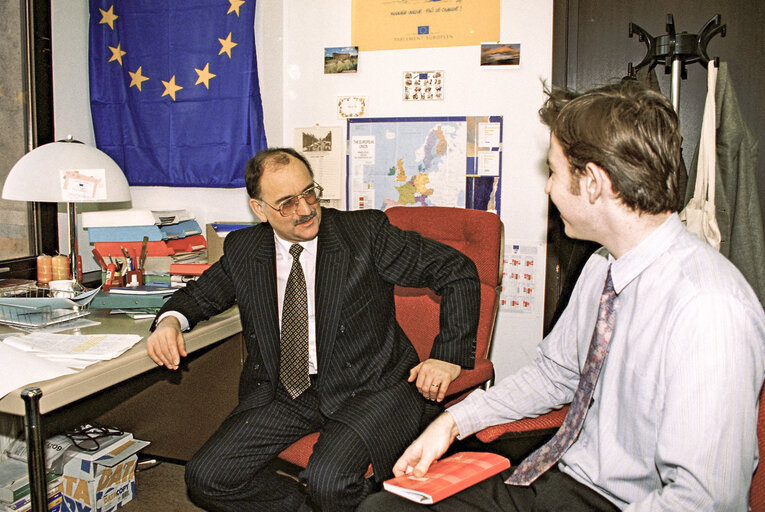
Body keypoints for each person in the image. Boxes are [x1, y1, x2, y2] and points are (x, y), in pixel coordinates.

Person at [360, 82, 765, 511]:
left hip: (630, 504)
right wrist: (453, 421)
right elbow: (556, 375)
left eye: (553, 172)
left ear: (592, 182)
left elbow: (706, 500)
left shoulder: (709, 308)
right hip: (564, 476)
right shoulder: (603, 267)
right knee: (384, 508)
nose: (549, 188)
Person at [145, 147, 481, 511]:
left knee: (329, 482)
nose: (305, 210)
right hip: (288, 390)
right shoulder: (244, 248)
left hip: (369, 386)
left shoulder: (364, 234)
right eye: (287, 203)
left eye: (309, 193)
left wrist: (447, 356)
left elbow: (456, 270)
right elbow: (200, 296)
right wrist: (169, 322)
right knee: (207, 477)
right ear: (259, 209)